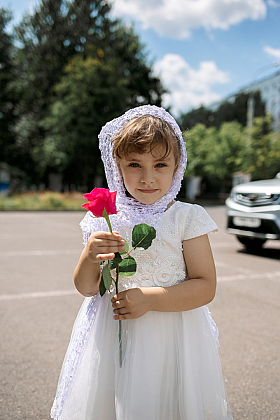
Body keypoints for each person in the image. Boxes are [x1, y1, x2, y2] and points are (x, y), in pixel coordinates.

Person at [51, 105, 233, 420]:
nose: (148, 178)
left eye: (160, 164)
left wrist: (149, 299)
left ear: (177, 166)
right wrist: (89, 256)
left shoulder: (186, 217)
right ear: (117, 166)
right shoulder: (106, 218)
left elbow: (205, 286)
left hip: (172, 334)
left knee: (165, 401)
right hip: (112, 334)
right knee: (115, 401)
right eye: (135, 164)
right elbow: (86, 287)